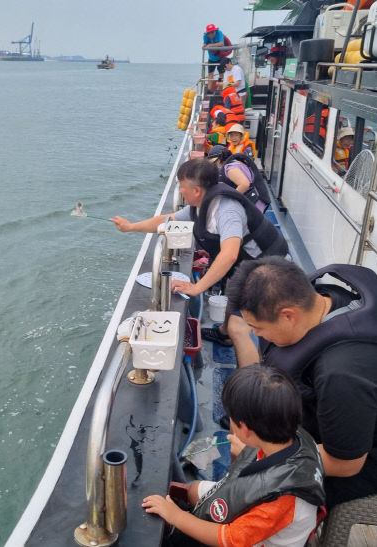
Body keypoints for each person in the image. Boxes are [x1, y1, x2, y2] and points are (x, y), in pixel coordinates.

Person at [225, 258, 377, 544]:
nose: (256, 335)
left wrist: (262, 455)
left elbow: (347, 464)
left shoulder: (342, 373)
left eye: (258, 328)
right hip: (361, 415)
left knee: (258, 494)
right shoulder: (325, 299)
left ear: (288, 315)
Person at [110, 159, 287, 365]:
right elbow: (166, 221)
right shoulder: (201, 205)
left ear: (196, 191)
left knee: (239, 329)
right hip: (248, 264)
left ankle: (250, 389)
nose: (180, 190)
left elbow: (229, 255)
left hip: (269, 269)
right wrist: (131, 227)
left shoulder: (226, 211)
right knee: (232, 288)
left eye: (182, 186)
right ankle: (223, 333)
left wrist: (197, 288)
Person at [142, 365, 325, 547]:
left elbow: (229, 539)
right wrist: (246, 453)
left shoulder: (281, 501)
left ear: (245, 430)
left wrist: (177, 516)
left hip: (256, 538)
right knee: (193, 490)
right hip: (260, 496)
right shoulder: (290, 434)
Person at [207, 145, 270, 212]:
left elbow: (244, 184)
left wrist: (230, 201)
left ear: (219, 160)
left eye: (213, 163)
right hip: (256, 202)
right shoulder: (235, 162)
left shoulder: (230, 168)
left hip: (253, 205)